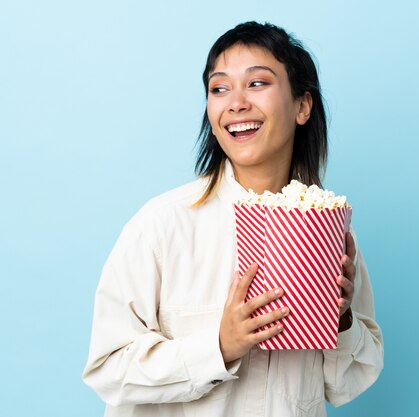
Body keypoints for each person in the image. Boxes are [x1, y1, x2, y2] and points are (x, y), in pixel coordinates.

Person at [82, 21, 383, 417]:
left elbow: (347, 384)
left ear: (302, 106)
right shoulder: (162, 225)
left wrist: (340, 319)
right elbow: (107, 370)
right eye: (219, 88)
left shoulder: (328, 231)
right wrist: (219, 346)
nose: (235, 103)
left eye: (257, 83)